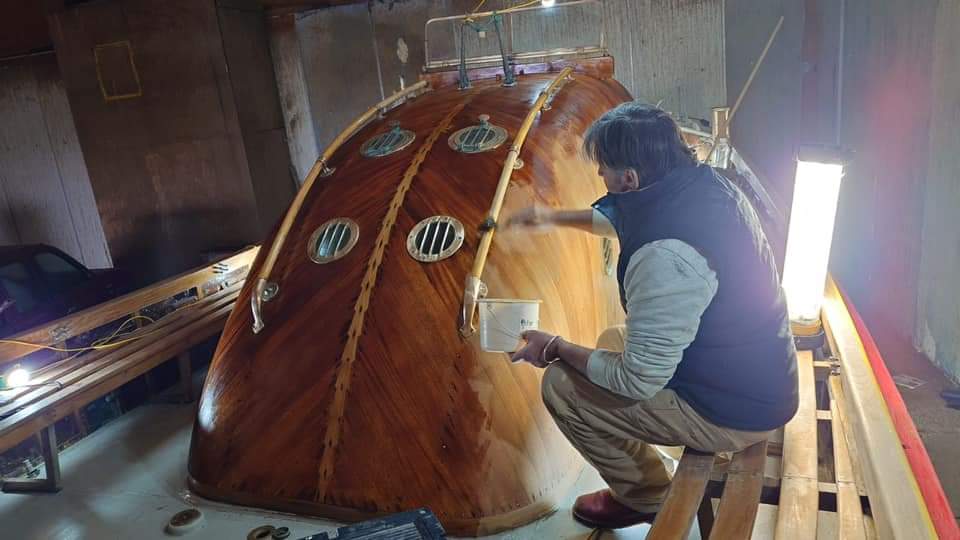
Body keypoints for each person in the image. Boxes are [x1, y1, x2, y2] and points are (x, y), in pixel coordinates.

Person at [506, 102, 799, 529]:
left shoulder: (666, 256)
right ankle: (643, 470)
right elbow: (626, 217)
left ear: (629, 179)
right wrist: (550, 218)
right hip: (759, 373)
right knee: (610, 339)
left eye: (604, 169)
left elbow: (636, 379)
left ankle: (645, 496)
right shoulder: (698, 183)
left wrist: (554, 346)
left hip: (738, 411)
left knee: (561, 387)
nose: (599, 177)